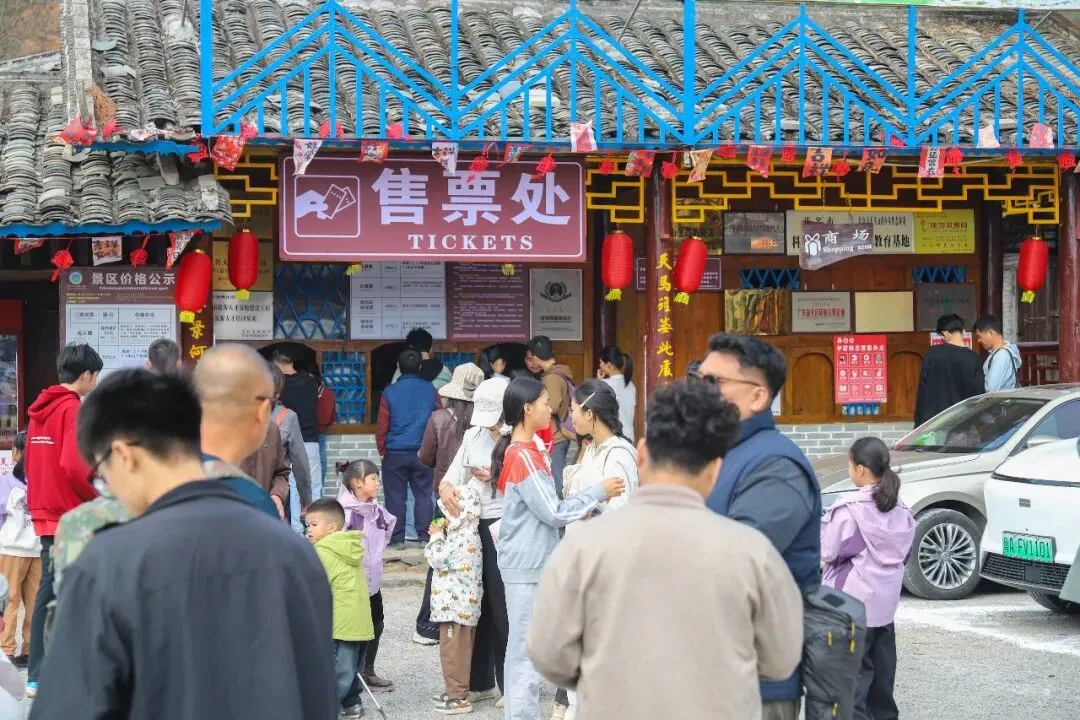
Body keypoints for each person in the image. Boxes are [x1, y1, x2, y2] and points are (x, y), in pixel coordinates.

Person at [31, 368, 336, 719]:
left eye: (102, 476)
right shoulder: (298, 554)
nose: (107, 489)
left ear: (124, 455)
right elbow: (319, 695)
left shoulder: (107, 563)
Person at [528, 381, 804, 720]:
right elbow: (781, 659)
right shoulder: (752, 552)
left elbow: (548, 653)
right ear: (716, 468)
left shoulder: (582, 549)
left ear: (642, 454)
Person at [699, 333, 820, 720]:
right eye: (699, 379)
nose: (700, 391)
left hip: (754, 683)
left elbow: (734, 566)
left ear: (757, 396)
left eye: (714, 382)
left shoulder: (776, 465)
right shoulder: (718, 455)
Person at [493, 376, 624, 720]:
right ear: (527, 409)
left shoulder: (526, 450)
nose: (551, 409)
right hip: (527, 565)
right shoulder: (523, 455)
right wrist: (598, 492)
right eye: (545, 403)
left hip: (529, 562)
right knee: (525, 654)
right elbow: (552, 512)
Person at [553, 380, 640, 719]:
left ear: (590, 413)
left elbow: (621, 512)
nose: (571, 417)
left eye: (574, 411)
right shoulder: (591, 449)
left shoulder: (619, 454)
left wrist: (587, 507)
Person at [23, 342, 101, 694]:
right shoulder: (72, 409)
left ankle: (38, 674)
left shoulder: (39, 409)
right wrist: (99, 496)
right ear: (86, 375)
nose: (95, 383)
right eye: (95, 376)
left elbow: (30, 462)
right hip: (70, 516)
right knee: (70, 591)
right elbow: (74, 466)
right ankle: (50, 674)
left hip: (45, 510)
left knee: (48, 590)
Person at [822, 437, 915, 720]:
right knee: (881, 685)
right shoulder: (900, 510)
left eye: (850, 464)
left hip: (852, 606)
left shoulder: (850, 510)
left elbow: (828, 551)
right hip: (885, 607)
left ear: (860, 469)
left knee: (853, 687)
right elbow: (904, 553)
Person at [438, 377, 511, 709]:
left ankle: (509, 683)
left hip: (504, 525)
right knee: (474, 604)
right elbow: (451, 476)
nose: (490, 426)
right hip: (473, 528)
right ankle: (480, 682)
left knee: (502, 606)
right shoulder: (473, 435)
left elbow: (530, 488)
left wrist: (495, 478)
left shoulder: (519, 439)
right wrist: (447, 489)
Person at [417, 362, 484, 645]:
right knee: (474, 562)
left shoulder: (439, 418)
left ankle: (428, 627)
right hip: (477, 503)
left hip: (444, 503)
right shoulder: (484, 424)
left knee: (438, 557)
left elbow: (425, 457)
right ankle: (471, 622)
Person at [306, 498, 374, 720]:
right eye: (308, 525)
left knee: (337, 671)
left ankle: (327, 708)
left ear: (331, 527)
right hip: (359, 621)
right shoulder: (350, 546)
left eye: (314, 525)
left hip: (339, 623)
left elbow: (313, 587)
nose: (309, 530)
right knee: (351, 668)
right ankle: (352, 705)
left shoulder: (322, 552)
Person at [336, 460, 397, 692]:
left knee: (376, 624)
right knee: (354, 631)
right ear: (357, 483)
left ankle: (367, 671)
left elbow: (388, 529)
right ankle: (351, 678)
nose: (378, 483)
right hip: (353, 582)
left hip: (373, 582)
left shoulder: (376, 509)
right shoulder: (343, 513)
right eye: (373, 479)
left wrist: (375, 556)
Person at [425, 484, 484, 715]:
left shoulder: (461, 537)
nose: (444, 516)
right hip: (462, 607)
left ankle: (458, 698)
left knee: (452, 654)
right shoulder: (470, 534)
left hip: (454, 608)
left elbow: (437, 558)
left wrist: (436, 536)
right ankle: (456, 692)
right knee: (458, 652)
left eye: (448, 511)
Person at [378, 349, 438, 549]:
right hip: (423, 451)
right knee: (424, 494)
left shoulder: (390, 392)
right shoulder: (431, 390)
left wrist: (382, 449)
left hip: (395, 452)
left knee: (395, 496)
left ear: (398, 366)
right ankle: (424, 536)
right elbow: (438, 419)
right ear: (420, 366)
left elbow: (382, 425)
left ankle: (397, 539)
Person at [0, 432, 38, 667]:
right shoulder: (9, 482)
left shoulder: (6, 482)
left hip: (19, 549)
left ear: (15, 452)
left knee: (13, 603)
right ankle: (19, 650)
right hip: (27, 549)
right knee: (27, 604)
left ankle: (16, 650)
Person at [272, 348, 323, 504]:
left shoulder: (281, 386)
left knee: (293, 486)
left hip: (289, 441)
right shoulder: (312, 381)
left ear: (277, 365)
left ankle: (295, 520)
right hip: (311, 439)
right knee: (313, 485)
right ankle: (314, 518)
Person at [914, 313, 985, 426]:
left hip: (936, 421)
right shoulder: (974, 358)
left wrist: (918, 422)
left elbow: (923, 389)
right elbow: (978, 393)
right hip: (963, 421)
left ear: (945, 333)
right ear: (963, 331)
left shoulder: (933, 353)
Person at [265, 363, 313, 526]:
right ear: (278, 391)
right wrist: (306, 502)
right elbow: (300, 464)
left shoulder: (235, 415)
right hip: (277, 494)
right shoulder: (287, 417)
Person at [525, 336, 575, 492]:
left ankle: (560, 504)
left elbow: (552, 406)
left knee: (556, 479)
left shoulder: (551, 377)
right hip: (557, 434)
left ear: (535, 357)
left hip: (556, 436)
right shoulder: (558, 373)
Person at [596, 345, 637, 442]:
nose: (600, 365)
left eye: (601, 362)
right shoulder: (631, 385)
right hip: (629, 435)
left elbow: (598, 410)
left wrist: (599, 383)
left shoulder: (605, 385)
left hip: (613, 437)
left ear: (608, 364)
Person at [973, 315, 1022, 393]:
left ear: (990, 333)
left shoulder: (1001, 355)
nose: (979, 341)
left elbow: (990, 389)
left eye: (980, 336)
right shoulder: (1001, 352)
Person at [315, 368, 338, 486]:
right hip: (318, 431)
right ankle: (318, 488)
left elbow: (330, 416)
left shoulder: (325, 393)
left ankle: (317, 488)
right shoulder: (328, 392)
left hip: (314, 431)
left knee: (320, 460)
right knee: (321, 460)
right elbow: (331, 417)